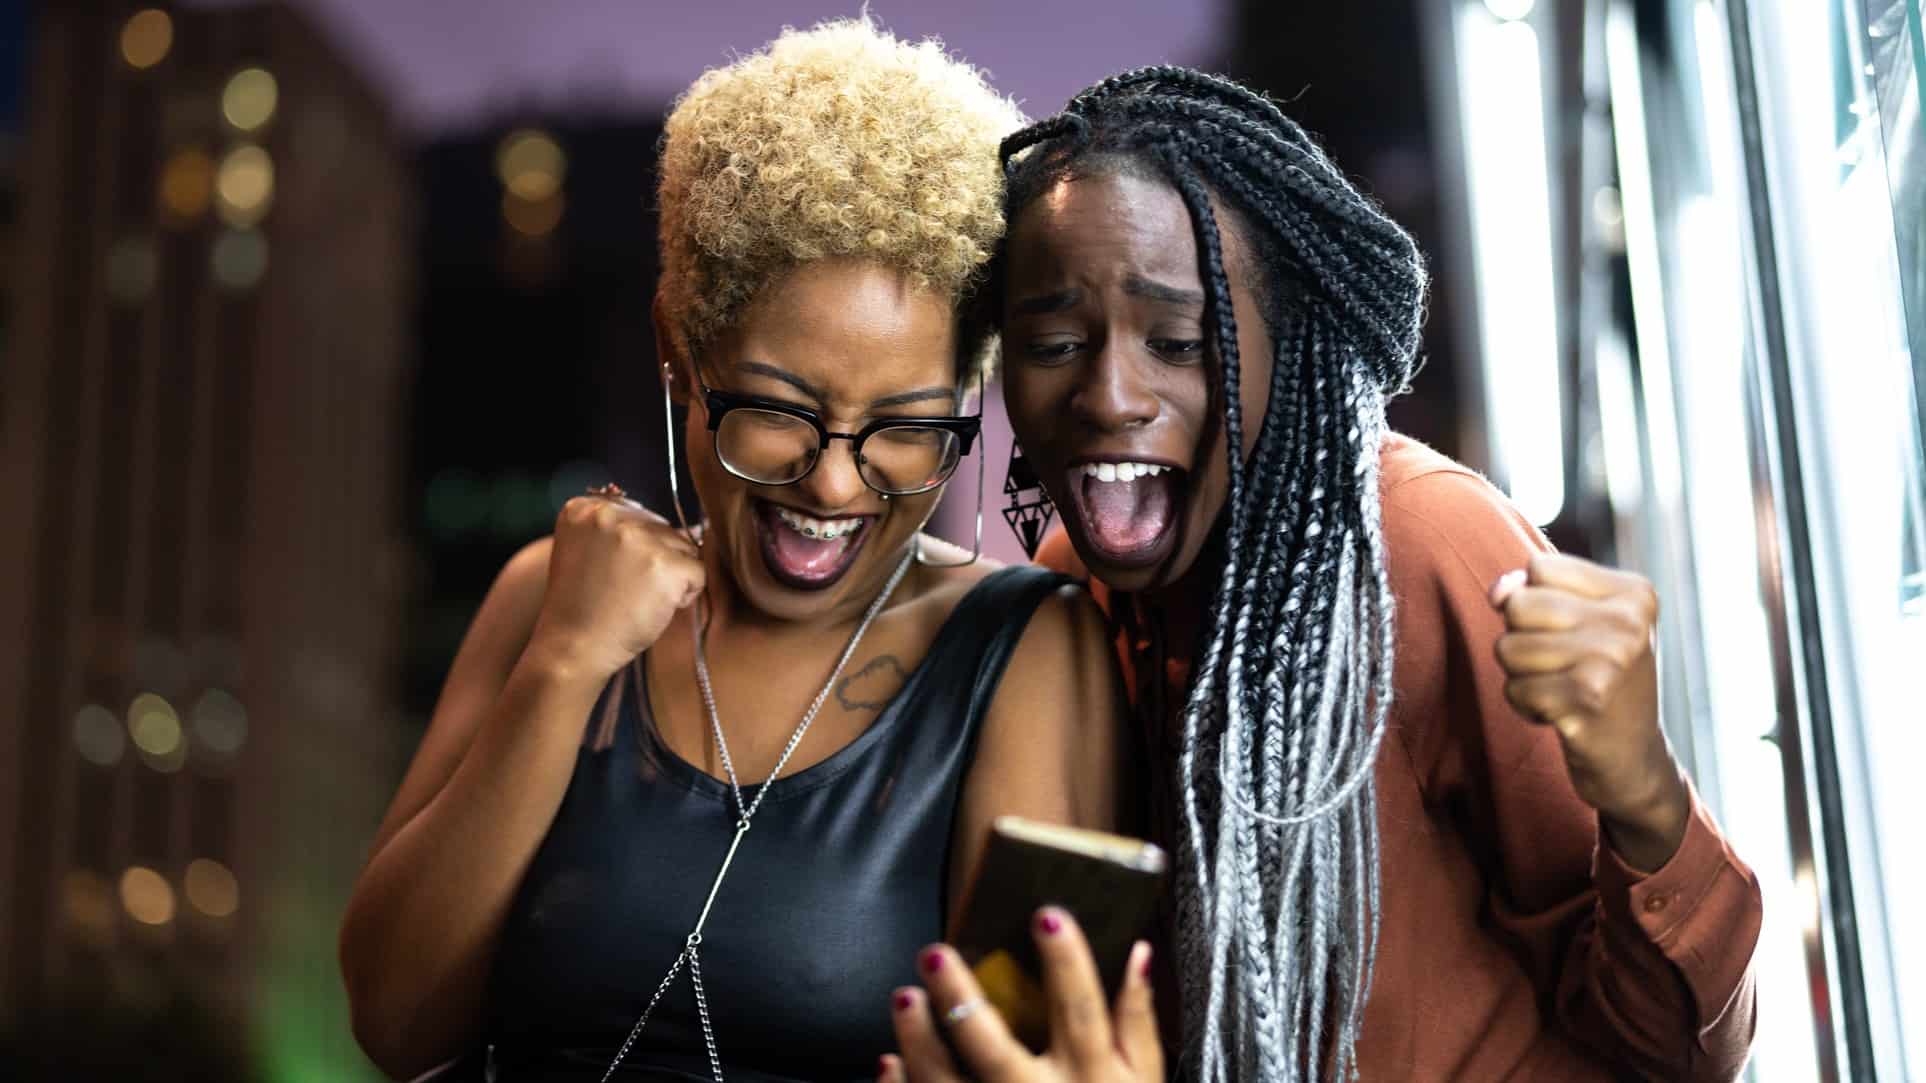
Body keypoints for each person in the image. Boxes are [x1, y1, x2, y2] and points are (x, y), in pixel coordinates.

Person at [885, 67, 1761, 1082]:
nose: (1108, 395)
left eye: (1177, 341)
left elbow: (1680, 1051)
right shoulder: (1073, 589)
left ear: (1286, 344)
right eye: (1056, 343)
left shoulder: (1418, 545)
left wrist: (1645, 794)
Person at [339, 21, 1126, 1082]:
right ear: (680, 355)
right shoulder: (551, 601)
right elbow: (395, 1022)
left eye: (906, 426)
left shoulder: (1025, 651)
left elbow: (1017, 1058)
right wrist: (565, 664)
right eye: (781, 408)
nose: (836, 484)